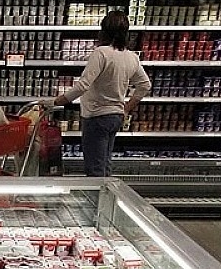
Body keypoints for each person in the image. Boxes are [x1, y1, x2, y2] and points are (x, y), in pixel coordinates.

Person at [50, 10, 151, 177]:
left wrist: (57, 101)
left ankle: (98, 194)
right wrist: (127, 107)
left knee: (95, 169)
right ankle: (106, 191)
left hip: (97, 117)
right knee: (104, 164)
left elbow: (83, 85)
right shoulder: (131, 56)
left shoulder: (101, 53)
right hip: (116, 116)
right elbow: (145, 85)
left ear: (103, 31)